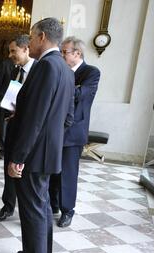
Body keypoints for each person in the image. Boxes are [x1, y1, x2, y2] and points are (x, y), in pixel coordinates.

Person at [0, 18, 74, 253]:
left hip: (33, 154)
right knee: (40, 208)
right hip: (48, 152)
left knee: (32, 210)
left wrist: (18, 157)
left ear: (42, 36)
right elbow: (66, 117)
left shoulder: (45, 67)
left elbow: (36, 118)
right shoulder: (65, 69)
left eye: (31, 37)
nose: (29, 42)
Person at [49, 36, 101, 228]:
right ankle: (52, 205)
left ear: (77, 53)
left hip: (73, 132)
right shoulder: (61, 70)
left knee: (67, 174)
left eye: (65, 52)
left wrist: (61, 86)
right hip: (55, 129)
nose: (61, 55)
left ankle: (67, 210)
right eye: (61, 51)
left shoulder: (91, 72)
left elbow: (81, 94)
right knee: (52, 171)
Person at [0, 35, 38, 222]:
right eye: (10, 51)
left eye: (14, 51)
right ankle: (8, 205)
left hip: (30, 131)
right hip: (12, 127)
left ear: (26, 48)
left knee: (26, 173)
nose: (10, 55)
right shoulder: (14, 71)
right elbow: (11, 98)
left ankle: (27, 210)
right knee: (8, 169)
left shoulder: (39, 71)